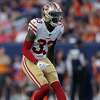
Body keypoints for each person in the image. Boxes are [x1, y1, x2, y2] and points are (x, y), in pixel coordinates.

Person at [21, 2, 67, 100]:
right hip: (30, 59)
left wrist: (52, 65)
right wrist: (36, 62)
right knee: (45, 88)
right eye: (54, 15)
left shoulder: (59, 28)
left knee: (57, 86)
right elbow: (25, 50)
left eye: (58, 15)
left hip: (43, 58)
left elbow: (51, 48)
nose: (57, 18)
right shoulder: (37, 25)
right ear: (46, 15)